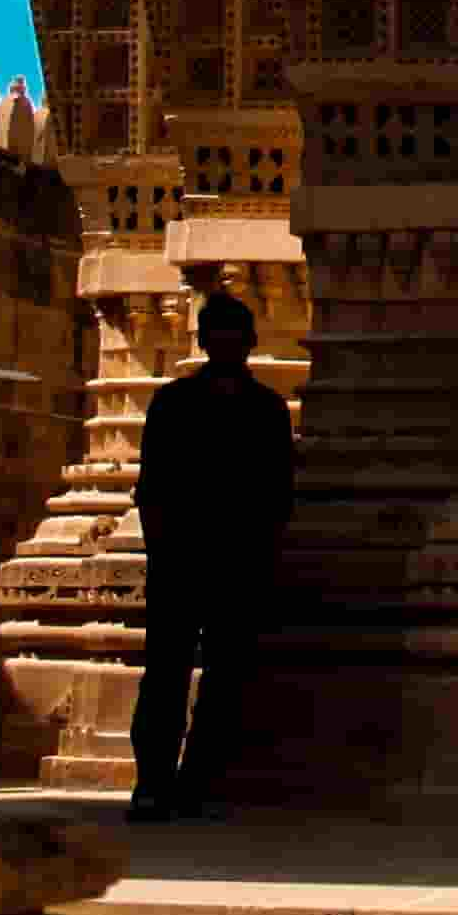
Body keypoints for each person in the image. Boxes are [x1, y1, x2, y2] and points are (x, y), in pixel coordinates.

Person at [127, 290, 293, 822]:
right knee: (172, 675)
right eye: (217, 336)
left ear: (246, 343)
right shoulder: (179, 404)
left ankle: (188, 780)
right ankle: (157, 781)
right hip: (190, 560)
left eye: (231, 336)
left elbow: (276, 494)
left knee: (213, 677)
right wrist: (163, 553)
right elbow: (151, 489)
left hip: (228, 562)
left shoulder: (260, 409)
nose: (224, 345)